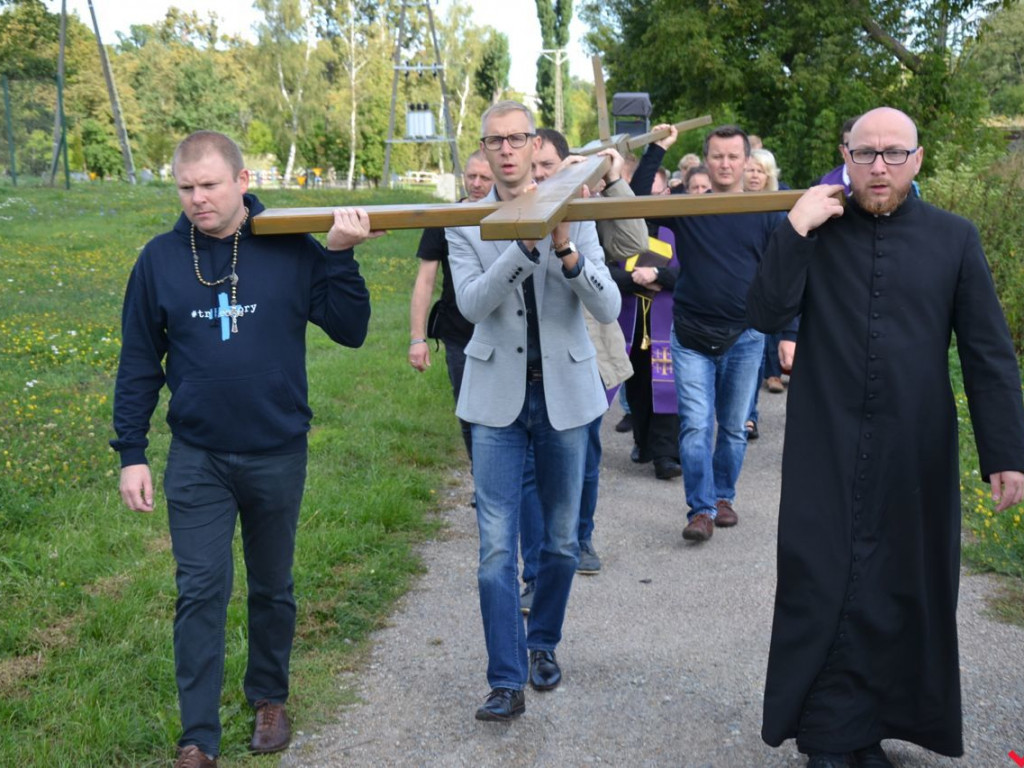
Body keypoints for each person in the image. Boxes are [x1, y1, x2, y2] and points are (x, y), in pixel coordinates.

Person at [748, 107, 1024, 768]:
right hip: (826, 441)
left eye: (893, 154)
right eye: (866, 153)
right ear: (846, 155)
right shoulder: (814, 228)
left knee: (901, 585)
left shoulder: (954, 239)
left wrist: (1006, 454)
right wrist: (793, 229)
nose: (878, 166)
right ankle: (827, 734)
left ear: (916, 161)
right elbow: (763, 312)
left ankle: (870, 727)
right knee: (821, 581)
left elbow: (988, 353)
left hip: (915, 448)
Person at [111, 131, 377, 768]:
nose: (197, 199)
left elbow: (352, 330)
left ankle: (269, 699)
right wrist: (132, 452)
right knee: (200, 589)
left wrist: (339, 255)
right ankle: (197, 738)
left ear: (242, 180)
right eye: (185, 187)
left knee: (272, 585)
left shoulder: (287, 245)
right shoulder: (160, 260)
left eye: (209, 185)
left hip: (276, 448)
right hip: (198, 455)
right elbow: (140, 362)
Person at [446, 101, 620, 721]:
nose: (508, 150)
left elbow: (606, 306)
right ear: (486, 151)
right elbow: (470, 304)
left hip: (566, 394)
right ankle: (505, 678)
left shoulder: (578, 210)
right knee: (496, 548)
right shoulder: (462, 220)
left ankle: (543, 642)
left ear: (532, 142)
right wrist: (522, 247)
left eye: (518, 138)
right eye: (495, 141)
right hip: (496, 398)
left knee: (562, 540)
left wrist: (568, 252)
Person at [632, 124, 778, 542]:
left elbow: (785, 270)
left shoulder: (766, 210)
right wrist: (658, 149)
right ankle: (701, 509)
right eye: (718, 156)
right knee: (696, 426)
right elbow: (639, 201)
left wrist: (787, 330)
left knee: (733, 427)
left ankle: (724, 497)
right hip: (692, 335)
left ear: (747, 162)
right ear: (705, 161)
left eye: (734, 157)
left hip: (746, 336)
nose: (726, 164)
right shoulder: (687, 206)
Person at [519, 128, 641, 610]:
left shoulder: (585, 201)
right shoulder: (516, 201)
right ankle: (537, 567)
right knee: (530, 466)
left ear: (567, 164)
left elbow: (632, 242)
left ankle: (580, 535)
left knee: (585, 452)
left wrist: (611, 181)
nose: (540, 174)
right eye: (534, 165)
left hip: (585, 346)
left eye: (548, 165)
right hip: (530, 355)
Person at [408, 151, 494, 459]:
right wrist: (417, 338)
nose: (476, 183)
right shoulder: (445, 217)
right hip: (459, 333)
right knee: (469, 412)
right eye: (471, 176)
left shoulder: (511, 215)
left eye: (485, 178)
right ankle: (480, 477)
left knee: (506, 414)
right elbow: (425, 281)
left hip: (503, 332)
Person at [742, 148, 786, 440]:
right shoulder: (728, 204)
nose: (755, 175)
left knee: (753, 358)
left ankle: (749, 416)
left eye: (760, 171)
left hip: (761, 294)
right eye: (751, 169)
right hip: (732, 291)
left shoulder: (776, 210)